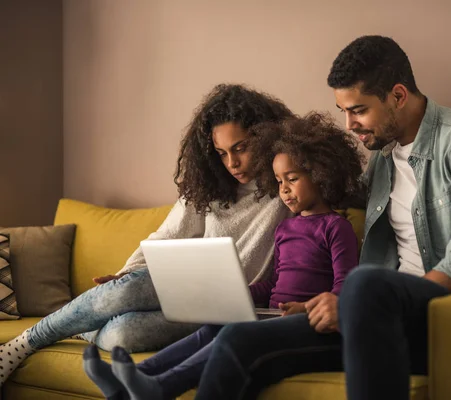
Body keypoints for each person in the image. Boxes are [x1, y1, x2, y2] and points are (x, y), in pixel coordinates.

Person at [192, 35, 451, 400]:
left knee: (366, 283)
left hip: (447, 319)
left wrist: (356, 302)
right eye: (344, 112)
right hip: (375, 320)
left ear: (398, 96)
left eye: (359, 110)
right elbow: (318, 190)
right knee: (239, 338)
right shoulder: (384, 161)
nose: (350, 124)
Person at [0, 84, 297, 390]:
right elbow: (166, 236)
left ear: (265, 137)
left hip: (233, 312)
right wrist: (125, 274)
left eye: (241, 148)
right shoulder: (210, 187)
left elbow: (339, 186)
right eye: (221, 153)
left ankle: (81, 323)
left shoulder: (288, 184)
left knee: (123, 336)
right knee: (121, 291)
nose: (232, 163)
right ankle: (23, 343)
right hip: (188, 287)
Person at [82, 112, 364, 400]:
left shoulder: (336, 228)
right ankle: (137, 376)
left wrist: (306, 308)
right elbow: (275, 282)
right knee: (213, 327)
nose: (284, 190)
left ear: (321, 175)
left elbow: (344, 289)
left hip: (307, 321)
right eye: (278, 181)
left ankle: (157, 387)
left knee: (232, 335)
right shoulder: (285, 228)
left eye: (292, 179)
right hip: (271, 315)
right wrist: (234, 294)